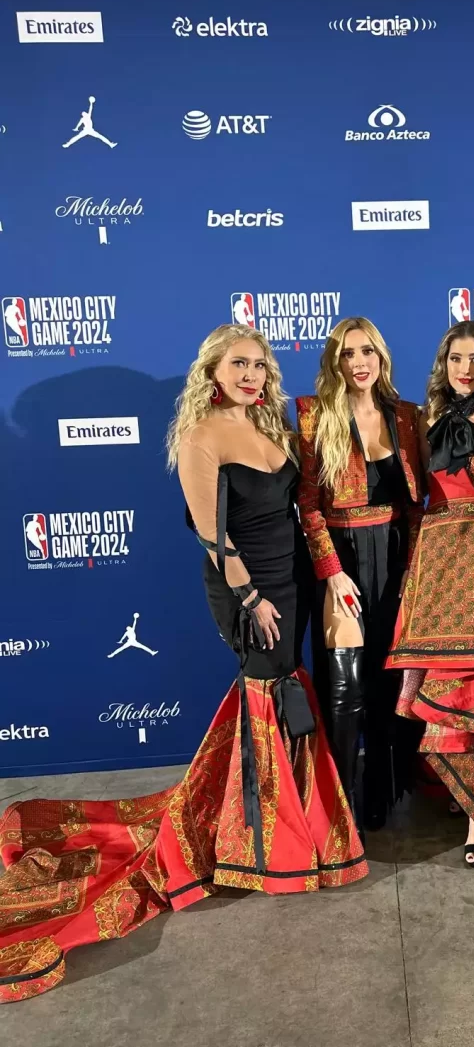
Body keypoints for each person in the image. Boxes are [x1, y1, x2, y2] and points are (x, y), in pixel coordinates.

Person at [0, 325, 365, 1004]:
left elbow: (297, 504)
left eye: (259, 364)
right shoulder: (203, 433)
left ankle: (272, 818)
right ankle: (267, 842)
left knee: (282, 694)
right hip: (248, 586)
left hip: (291, 581)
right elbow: (210, 531)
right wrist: (251, 597)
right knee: (265, 696)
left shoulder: (271, 424)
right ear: (212, 370)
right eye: (238, 364)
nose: (252, 374)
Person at [386, 321, 474, 867]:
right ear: (443, 366)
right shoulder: (425, 421)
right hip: (439, 557)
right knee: (443, 675)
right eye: (455, 359)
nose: (465, 369)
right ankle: (461, 787)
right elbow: (422, 491)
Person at [296, 318, 425, 832]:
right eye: (348, 353)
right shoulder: (313, 415)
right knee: (344, 683)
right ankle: (340, 802)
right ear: (335, 361)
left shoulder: (408, 416)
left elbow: (416, 505)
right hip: (340, 557)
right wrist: (331, 571)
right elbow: (306, 504)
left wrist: (416, 567)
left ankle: (382, 794)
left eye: (367, 351)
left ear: (382, 356)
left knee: (388, 679)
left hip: (395, 552)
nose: (359, 362)